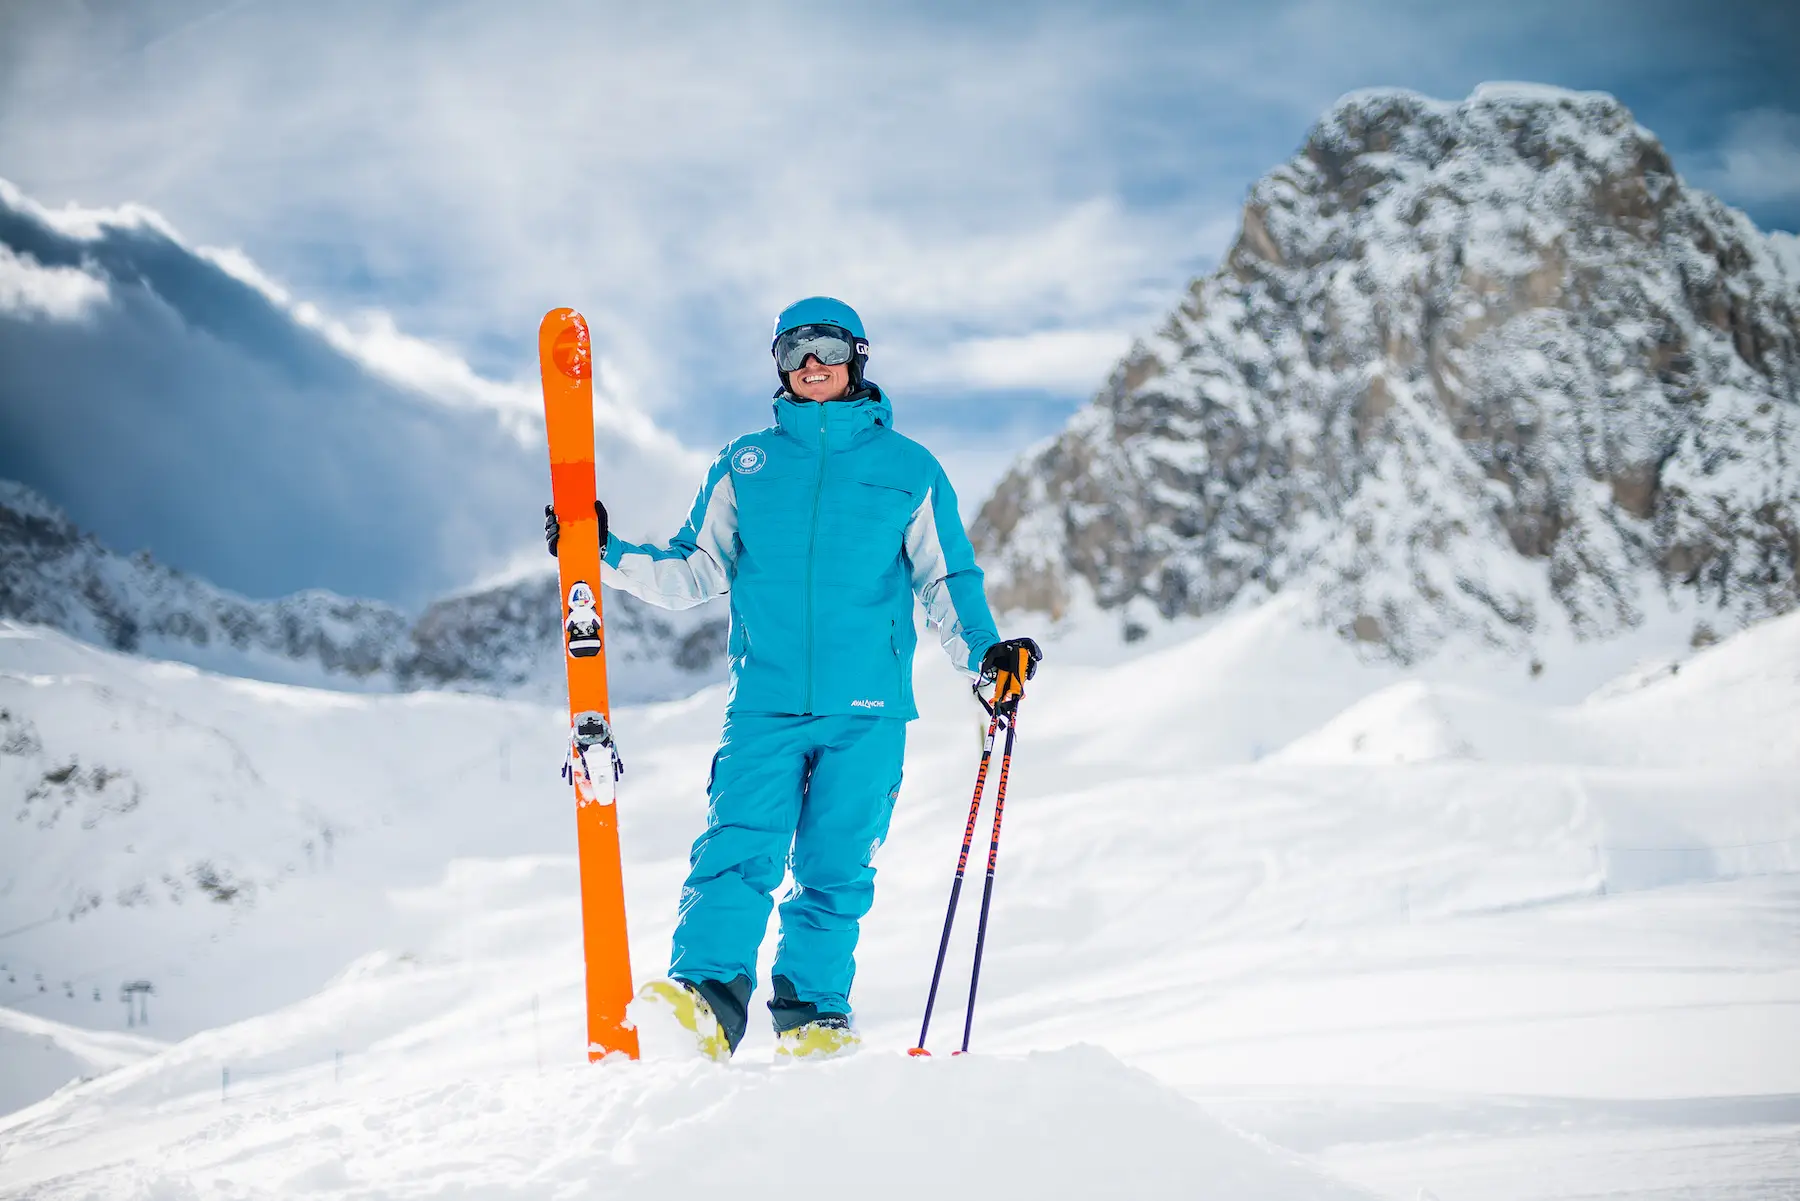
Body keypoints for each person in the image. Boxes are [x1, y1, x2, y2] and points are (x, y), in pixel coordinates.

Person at [544, 296, 1041, 1060]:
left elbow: (947, 579)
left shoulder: (909, 469)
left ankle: (814, 1017)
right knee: (738, 847)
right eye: (793, 350)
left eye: (828, 348)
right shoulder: (746, 464)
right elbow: (694, 568)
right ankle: (706, 1004)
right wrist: (600, 552)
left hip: (868, 709)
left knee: (835, 866)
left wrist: (986, 656)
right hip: (765, 702)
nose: (811, 364)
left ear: (857, 357)